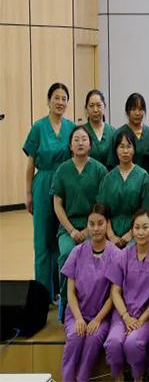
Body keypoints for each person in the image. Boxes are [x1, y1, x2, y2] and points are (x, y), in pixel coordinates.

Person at [23, 82, 75, 300]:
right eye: (56, 97)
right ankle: (43, 295)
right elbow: (30, 163)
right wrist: (28, 193)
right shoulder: (38, 127)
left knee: (60, 239)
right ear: (48, 101)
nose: (60, 102)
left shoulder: (71, 128)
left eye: (64, 98)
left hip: (64, 185)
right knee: (43, 242)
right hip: (43, 184)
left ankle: (60, 292)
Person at [104, 209, 149, 380]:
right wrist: (126, 317)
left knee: (133, 343)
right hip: (122, 314)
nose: (141, 232)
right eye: (137, 228)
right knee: (113, 343)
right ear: (131, 231)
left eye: (145, 227)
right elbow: (115, 292)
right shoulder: (123, 255)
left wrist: (140, 320)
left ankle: (139, 377)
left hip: (146, 316)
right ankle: (118, 378)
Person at [61, 204, 117, 382]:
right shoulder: (77, 252)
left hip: (101, 316)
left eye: (100, 223)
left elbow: (113, 296)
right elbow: (70, 293)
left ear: (108, 224)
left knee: (93, 338)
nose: (96, 228)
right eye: (91, 224)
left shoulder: (116, 255)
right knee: (75, 336)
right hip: (76, 313)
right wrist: (78, 318)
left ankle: (82, 379)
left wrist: (98, 320)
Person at [53, 125, 108, 305]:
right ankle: (66, 304)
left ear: (90, 144)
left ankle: (92, 302)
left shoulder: (99, 170)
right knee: (67, 254)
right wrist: (71, 230)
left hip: (94, 227)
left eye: (84, 139)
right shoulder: (62, 170)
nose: (80, 143)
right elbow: (57, 204)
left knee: (93, 256)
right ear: (70, 145)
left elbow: (101, 206)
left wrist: (88, 229)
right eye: (76, 140)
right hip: (68, 228)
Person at [98, 130, 149, 248]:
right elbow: (102, 210)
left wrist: (131, 233)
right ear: (116, 150)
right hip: (110, 231)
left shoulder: (143, 176)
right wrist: (111, 235)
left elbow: (146, 210)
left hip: (137, 231)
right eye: (121, 147)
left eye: (129, 146)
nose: (125, 151)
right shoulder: (108, 178)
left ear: (134, 149)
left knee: (130, 252)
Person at [108, 93, 149, 172]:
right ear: (127, 111)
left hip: (147, 178)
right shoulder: (118, 134)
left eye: (140, 109)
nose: (137, 113)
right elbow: (111, 164)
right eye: (133, 109)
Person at [83, 89, 116, 168]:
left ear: (104, 106)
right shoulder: (81, 131)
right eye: (91, 106)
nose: (95, 110)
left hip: (109, 175)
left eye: (99, 105)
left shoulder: (113, 132)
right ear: (86, 108)